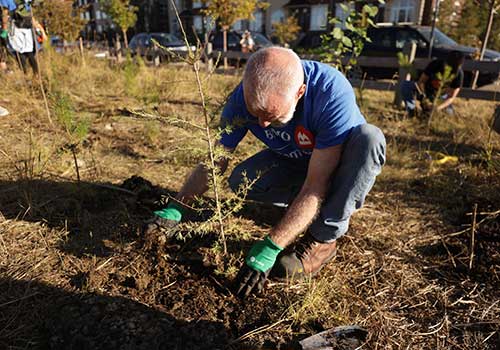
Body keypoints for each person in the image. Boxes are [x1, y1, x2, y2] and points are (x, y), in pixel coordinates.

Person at [144, 47, 386, 297]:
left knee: (370, 139)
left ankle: (324, 236)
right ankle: (297, 215)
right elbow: (216, 161)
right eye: (255, 114)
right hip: (296, 160)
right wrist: (178, 207)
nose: (263, 124)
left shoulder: (331, 94)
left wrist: (272, 246)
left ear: (299, 92)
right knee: (242, 180)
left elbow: (316, 183)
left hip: (337, 165)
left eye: (271, 115)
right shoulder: (241, 100)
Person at [401, 51, 465, 116]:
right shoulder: (435, 64)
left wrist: (437, 108)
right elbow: (421, 82)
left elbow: (451, 97)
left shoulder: (459, 75)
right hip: (425, 91)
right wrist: (425, 99)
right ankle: (412, 111)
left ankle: (428, 114)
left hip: (440, 97)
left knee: (449, 115)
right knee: (406, 85)